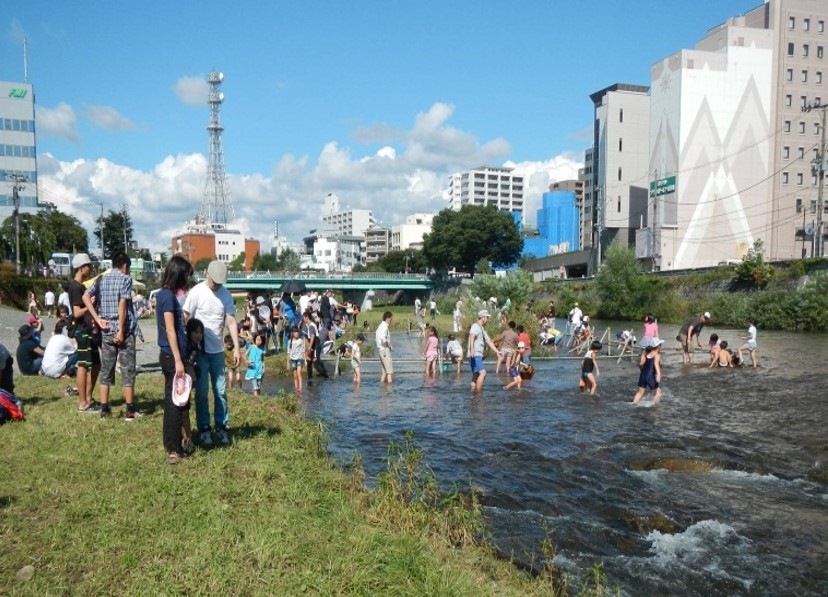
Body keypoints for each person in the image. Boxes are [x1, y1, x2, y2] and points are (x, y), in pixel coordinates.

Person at [183, 260, 240, 447]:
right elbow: (186, 316)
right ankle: (204, 430)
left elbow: (231, 321)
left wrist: (238, 348)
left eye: (220, 282)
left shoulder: (226, 295)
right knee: (201, 392)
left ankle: (222, 427)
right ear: (206, 273)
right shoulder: (197, 292)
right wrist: (187, 344)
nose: (217, 284)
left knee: (220, 391)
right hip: (199, 352)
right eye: (214, 280)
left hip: (217, 351)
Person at [83, 253, 140, 420]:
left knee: (106, 370)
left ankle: (104, 409)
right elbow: (123, 304)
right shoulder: (125, 279)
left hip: (106, 329)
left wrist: (97, 318)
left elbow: (86, 296)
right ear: (125, 266)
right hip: (123, 330)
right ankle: (130, 410)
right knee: (127, 370)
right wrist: (121, 330)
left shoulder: (101, 279)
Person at [156, 255, 194, 463]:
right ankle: (174, 448)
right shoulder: (167, 296)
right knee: (176, 402)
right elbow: (170, 329)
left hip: (173, 355)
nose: (187, 279)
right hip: (172, 356)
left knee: (177, 400)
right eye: (186, 275)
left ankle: (174, 445)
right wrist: (179, 360)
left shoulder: (166, 295)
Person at [68, 253, 101, 413]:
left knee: (96, 364)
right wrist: (90, 305)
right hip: (82, 331)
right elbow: (76, 313)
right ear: (81, 268)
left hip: (90, 330)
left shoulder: (81, 286)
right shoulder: (75, 287)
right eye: (88, 266)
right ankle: (83, 403)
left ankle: (88, 397)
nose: (90, 268)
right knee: (83, 366)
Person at [467, 310, 501, 392]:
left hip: (476, 355)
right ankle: (478, 394)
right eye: (487, 318)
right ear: (483, 318)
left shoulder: (481, 329)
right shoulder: (475, 326)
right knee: (483, 373)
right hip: (475, 354)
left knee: (476, 374)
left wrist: (497, 351)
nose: (488, 320)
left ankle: (473, 392)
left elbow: (489, 341)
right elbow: (472, 336)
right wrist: (472, 350)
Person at [301, 310, 329, 382]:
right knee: (309, 362)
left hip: (315, 345)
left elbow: (313, 336)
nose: (303, 319)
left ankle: (327, 376)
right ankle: (309, 378)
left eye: (303, 317)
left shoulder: (311, 326)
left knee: (316, 363)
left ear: (307, 317)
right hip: (313, 345)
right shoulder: (311, 325)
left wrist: (310, 347)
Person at [632, 338, 663, 403]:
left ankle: (634, 403)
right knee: (657, 393)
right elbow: (656, 365)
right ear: (658, 347)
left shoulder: (645, 353)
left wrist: (642, 370)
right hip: (650, 375)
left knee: (640, 392)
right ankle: (653, 408)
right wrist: (659, 375)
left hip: (643, 374)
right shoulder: (657, 355)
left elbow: (641, 363)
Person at [375, 311, 394, 383]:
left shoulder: (380, 326)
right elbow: (383, 338)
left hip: (380, 350)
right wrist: (388, 345)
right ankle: (389, 390)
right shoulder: (385, 327)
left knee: (384, 371)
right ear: (387, 319)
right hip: (384, 350)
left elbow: (377, 337)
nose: (392, 320)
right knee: (389, 372)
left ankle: (382, 388)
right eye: (391, 319)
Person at [286, 326, 306, 392]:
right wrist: (288, 363)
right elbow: (288, 352)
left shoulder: (300, 341)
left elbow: (303, 350)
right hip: (293, 359)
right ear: (292, 333)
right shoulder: (290, 342)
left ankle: (300, 388)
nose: (296, 333)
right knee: (294, 375)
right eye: (295, 332)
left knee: (299, 373)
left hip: (299, 359)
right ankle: (296, 387)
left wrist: (305, 360)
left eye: (297, 332)